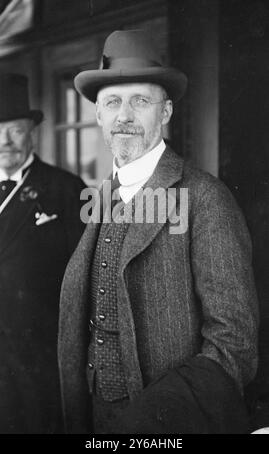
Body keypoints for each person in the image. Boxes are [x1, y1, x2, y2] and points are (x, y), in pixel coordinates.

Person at [58, 30, 259, 434]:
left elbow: (234, 344)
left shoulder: (205, 197)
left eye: (140, 101)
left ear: (165, 112)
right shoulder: (100, 197)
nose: (125, 116)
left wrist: (155, 419)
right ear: (98, 115)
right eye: (112, 102)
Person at [0, 73, 86, 433]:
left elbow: (85, 278)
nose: (4, 141)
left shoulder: (66, 189)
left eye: (14, 129)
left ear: (32, 130)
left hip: (39, 360)